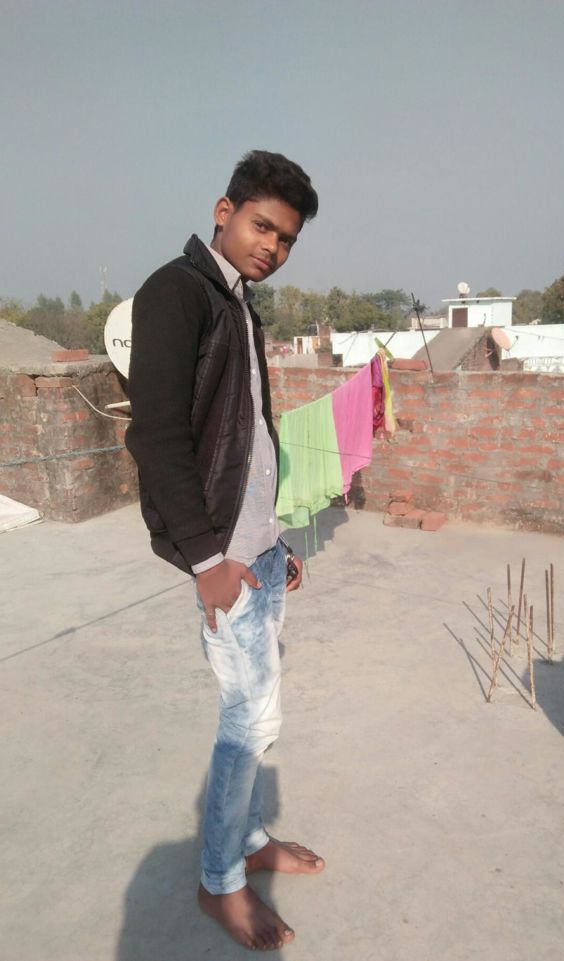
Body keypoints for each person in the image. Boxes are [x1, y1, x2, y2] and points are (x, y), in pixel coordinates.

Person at [125, 150, 324, 952]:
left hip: (258, 550)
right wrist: (209, 562)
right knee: (248, 718)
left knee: (261, 713)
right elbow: (158, 437)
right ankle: (220, 879)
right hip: (225, 561)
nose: (272, 246)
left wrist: (275, 539)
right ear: (224, 210)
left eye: (287, 238)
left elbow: (250, 437)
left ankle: (248, 839)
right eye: (262, 226)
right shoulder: (175, 293)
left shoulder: (239, 303)